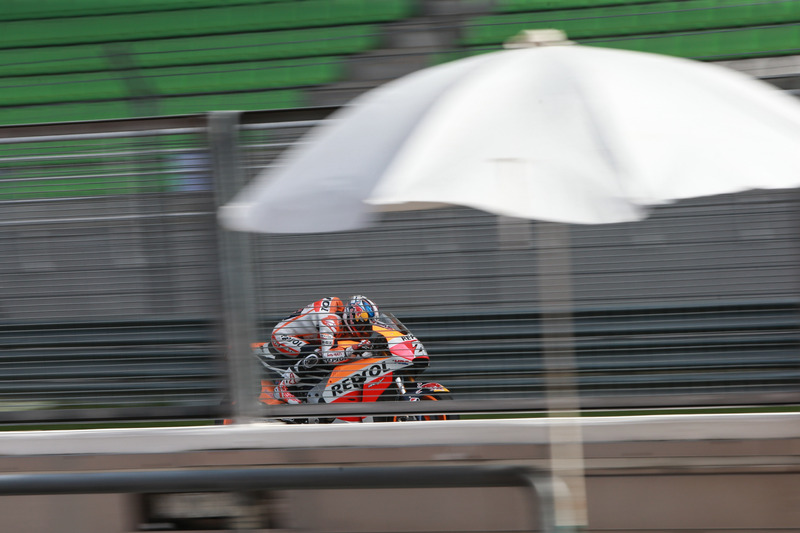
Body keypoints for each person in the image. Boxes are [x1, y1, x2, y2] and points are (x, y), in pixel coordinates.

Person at [256, 295, 381, 404]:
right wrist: (352, 350)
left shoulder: (338, 315)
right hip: (283, 336)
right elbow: (328, 356)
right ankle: (282, 388)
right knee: (316, 356)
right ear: (352, 317)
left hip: (305, 335)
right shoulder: (330, 322)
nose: (366, 330)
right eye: (363, 324)